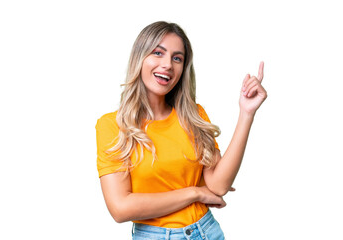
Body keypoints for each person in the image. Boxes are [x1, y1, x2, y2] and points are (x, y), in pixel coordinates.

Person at [96, 21, 267, 240]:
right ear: (140, 58)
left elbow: (219, 185)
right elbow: (120, 208)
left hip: (207, 231)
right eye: (158, 53)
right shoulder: (112, 126)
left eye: (177, 58)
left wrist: (246, 113)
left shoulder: (193, 115)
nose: (167, 64)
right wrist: (194, 192)